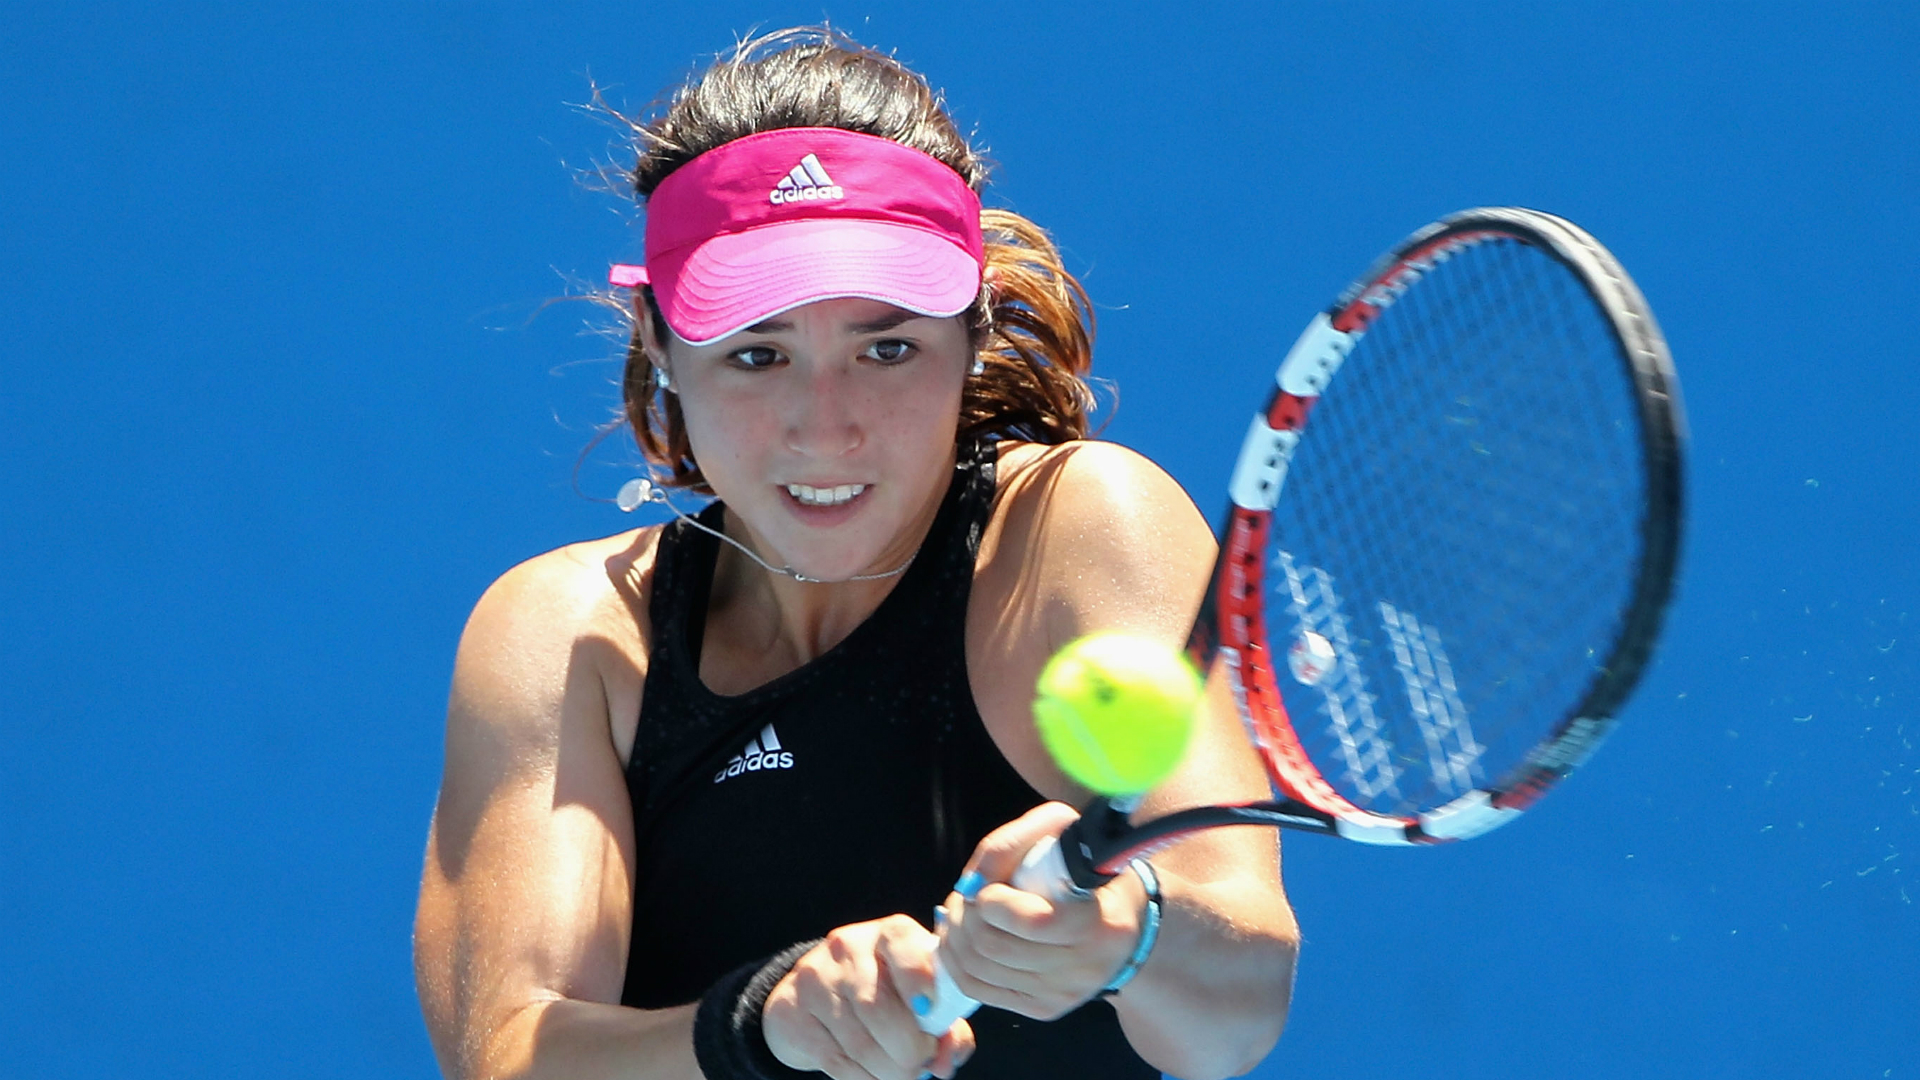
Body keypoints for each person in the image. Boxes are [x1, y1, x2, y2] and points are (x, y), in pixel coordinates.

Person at [413, 28, 1298, 1080]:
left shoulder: (1080, 527)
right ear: (657, 340)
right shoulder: (570, 636)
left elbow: (1236, 1015)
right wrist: (765, 1021)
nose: (826, 427)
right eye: (757, 353)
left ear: (972, 331)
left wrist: (1129, 931)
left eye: (887, 347)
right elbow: (513, 1056)